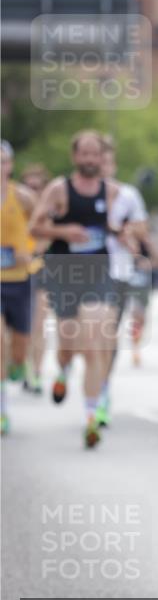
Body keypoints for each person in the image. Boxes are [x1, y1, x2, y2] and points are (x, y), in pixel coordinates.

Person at [29, 130, 124, 448]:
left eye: (94, 154)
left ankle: (91, 416)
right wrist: (63, 230)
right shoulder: (59, 189)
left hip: (98, 273)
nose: (89, 160)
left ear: (102, 157)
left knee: (96, 344)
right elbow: (35, 227)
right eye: (83, 154)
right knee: (70, 342)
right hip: (63, 273)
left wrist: (122, 232)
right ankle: (62, 370)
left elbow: (122, 226)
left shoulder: (112, 192)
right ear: (75, 157)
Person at [97, 137, 150, 423]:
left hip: (116, 274)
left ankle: (102, 391)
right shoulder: (74, 192)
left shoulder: (128, 195)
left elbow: (142, 230)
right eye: (96, 162)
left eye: (106, 162)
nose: (102, 168)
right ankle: (66, 370)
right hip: (80, 274)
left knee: (107, 336)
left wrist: (123, 230)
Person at [0, 141, 37, 434]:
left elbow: (43, 228)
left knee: (19, 348)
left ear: (10, 165)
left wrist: (32, 252)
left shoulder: (23, 198)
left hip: (20, 279)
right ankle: (2, 410)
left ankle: (19, 363)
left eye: (3, 161)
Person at [20, 163, 51, 395]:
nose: (32, 190)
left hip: (41, 268)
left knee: (39, 324)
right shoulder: (15, 207)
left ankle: (37, 373)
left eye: (37, 186)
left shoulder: (48, 211)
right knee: (19, 328)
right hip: (15, 270)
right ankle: (22, 364)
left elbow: (47, 240)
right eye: (28, 186)